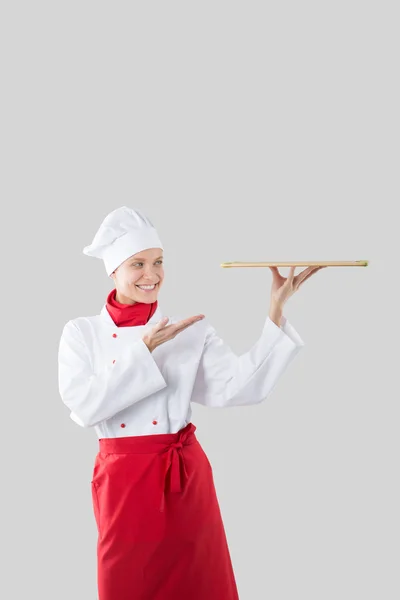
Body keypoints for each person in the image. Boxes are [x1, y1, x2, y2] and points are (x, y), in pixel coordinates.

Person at [57, 206, 324, 600]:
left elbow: (240, 388)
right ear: (113, 270)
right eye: (138, 264)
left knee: (201, 585)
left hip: (185, 480)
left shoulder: (189, 331)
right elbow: (85, 407)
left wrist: (276, 310)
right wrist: (144, 351)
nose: (152, 275)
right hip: (124, 483)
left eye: (159, 262)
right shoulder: (81, 333)